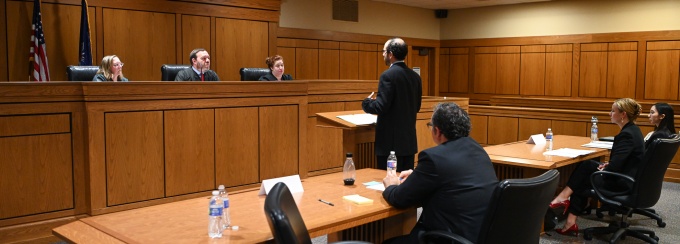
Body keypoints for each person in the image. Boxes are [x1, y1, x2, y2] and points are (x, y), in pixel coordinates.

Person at [382, 102, 498, 244]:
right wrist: (418, 175)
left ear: (437, 131)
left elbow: (399, 199)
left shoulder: (434, 157)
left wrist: (391, 186)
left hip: (447, 239)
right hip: (480, 236)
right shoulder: (478, 150)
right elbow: (452, 177)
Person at [549, 98, 644, 237]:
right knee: (586, 169)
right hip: (630, 178)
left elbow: (616, 166)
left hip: (622, 183)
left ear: (623, 114)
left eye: (613, 111)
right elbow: (622, 161)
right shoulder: (633, 131)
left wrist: (607, 168)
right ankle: (568, 218)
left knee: (584, 175)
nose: (609, 113)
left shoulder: (627, 135)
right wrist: (607, 166)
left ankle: (563, 203)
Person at [362, 37, 422, 172]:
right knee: (405, 182)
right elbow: (417, 106)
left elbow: (381, 107)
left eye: (384, 51)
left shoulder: (388, 75)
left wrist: (367, 103)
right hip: (408, 142)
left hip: (390, 144)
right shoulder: (415, 77)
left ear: (390, 54)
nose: (382, 54)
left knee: (388, 181)